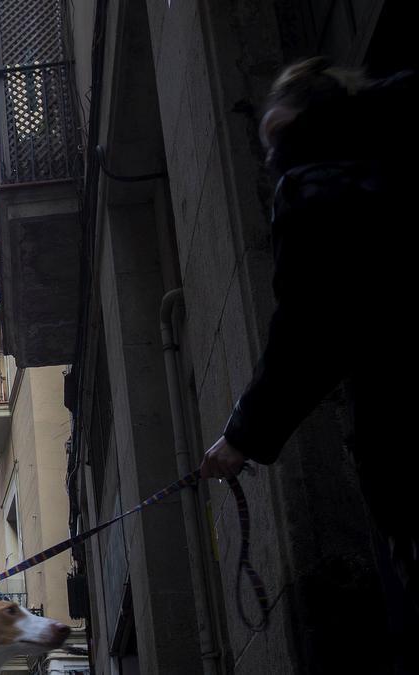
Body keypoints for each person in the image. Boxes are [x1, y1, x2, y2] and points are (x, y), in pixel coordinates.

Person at [199, 57, 417, 607]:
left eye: (273, 133)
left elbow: (309, 327)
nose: (271, 155)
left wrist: (242, 437)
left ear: (294, 121)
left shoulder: (316, 185)